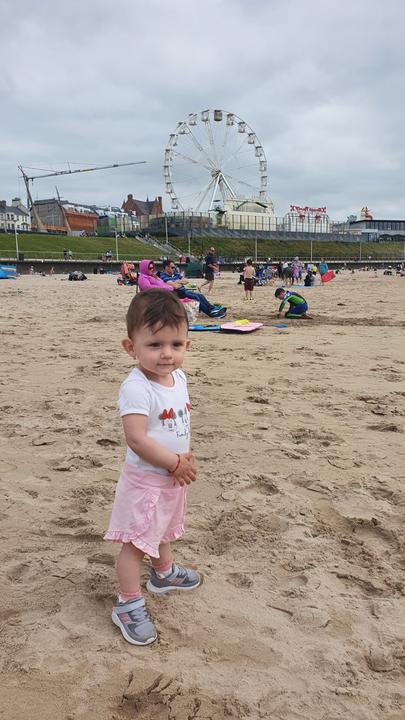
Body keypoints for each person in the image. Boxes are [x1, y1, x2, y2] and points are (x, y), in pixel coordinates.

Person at [104, 290, 201, 646]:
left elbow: (175, 425)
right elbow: (137, 439)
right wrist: (174, 462)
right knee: (135, 543)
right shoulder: (136, 387)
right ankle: (128, 604)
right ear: (131, 347)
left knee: (162, 531)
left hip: (171, 476)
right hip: (146, 480)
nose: (167, 354)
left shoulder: (179, 378)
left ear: (187, 344)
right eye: (155, 345)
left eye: (176, 344)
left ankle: (163, 573)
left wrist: (184, 457)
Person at [159, 259, 226, 318]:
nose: (174, 269)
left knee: (200, 296)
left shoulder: (175, 274)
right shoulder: (163, 276)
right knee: (196, 297)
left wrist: (177, 282)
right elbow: (175, 286)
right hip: (177, 293)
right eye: (172, 267)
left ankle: (212, 308)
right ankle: (210, 313)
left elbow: (186, 281)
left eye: (174, 267)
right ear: (166, 267)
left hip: (184, 290)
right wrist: (179, 282)